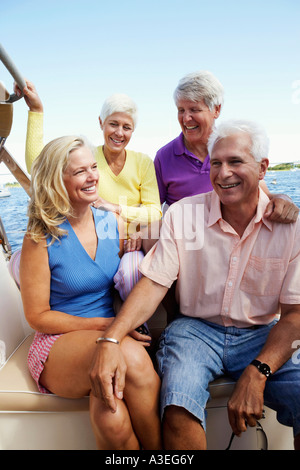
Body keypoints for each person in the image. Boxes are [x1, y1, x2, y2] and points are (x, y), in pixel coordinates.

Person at [91, 120, 300, 450]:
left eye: (235, 162)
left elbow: (294, 316)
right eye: (216, 163)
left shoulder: (291, 227)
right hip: (194, 330)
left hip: (262, 333)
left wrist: (258, 372)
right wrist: (110, 339)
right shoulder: (182, 214)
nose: (223, 173)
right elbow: (153, 284)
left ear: (262, 169)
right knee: (177, 409)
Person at [19, 135, 162, 450]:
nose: (93, 176)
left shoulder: (110, 220)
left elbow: (122, 254)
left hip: (112, 335)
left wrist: (137, 242)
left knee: (111, 420)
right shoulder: (39, 238)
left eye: (93, 167)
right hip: (60, 341)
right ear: (58, 181)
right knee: (132, 359)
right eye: (80, 171)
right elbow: (38, 317)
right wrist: (106, 327)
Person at [16, 80, 162, 300]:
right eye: (113, 124)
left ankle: (136, 326)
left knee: (132, 271)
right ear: (101, 122)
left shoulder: (143, 162)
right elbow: (39, 166)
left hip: (130, 243)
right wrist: (36, 111)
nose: (119, 133)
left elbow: (155, 212)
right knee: (19, 261)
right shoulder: (87, 156)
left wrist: (115, 208)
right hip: (93, 241)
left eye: (127, 127)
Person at [153, 70, 299, 220]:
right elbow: (152, 209)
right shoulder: (164, 157)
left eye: (194, 110)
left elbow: (263, 195)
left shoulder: (234, 148)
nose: (186, 118)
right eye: (181, 110)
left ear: (216, 109)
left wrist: (284, 198)